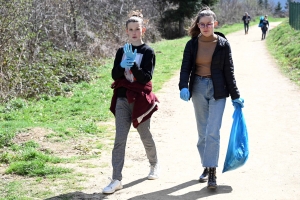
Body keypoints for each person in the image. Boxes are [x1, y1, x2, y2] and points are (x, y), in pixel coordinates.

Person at [178, 6, 244, 189]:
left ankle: (212, 172)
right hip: (198, 88)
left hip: (219, 90)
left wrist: (236, 96)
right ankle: (207, 165)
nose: (206, 27)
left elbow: (229, 71)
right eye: (202, 24)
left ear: (215, 24)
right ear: (198, 25)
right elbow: (185, 67)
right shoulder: (191, 44)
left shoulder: (223, 44)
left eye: (209, 24)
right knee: (202, 134)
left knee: (213, 131)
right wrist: (183, 86)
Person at [102, 10, 159, 194]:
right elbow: (114, 75)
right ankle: (116, 179)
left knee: (145, 135)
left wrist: (132, 64)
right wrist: (122, 64)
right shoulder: (121, 51)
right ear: (126, 31)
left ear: (143, 30)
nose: (134, 32)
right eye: (131, 29)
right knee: (120, 139)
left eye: (137, 29)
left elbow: (145, 78)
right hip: (122, 99)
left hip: (140, 100)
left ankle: (154, 164)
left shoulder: (148, 51)